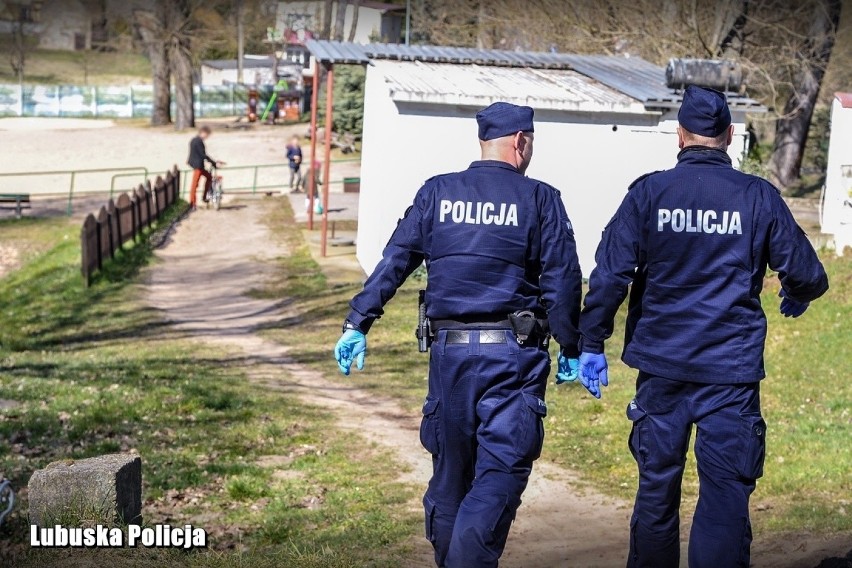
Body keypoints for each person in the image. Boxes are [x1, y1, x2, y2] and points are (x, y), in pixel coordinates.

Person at [577, 86, 829, 568]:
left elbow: (611, 274)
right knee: (724, 499)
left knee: (656, 492)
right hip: (728, 377)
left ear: (680, 136)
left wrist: (593, 341)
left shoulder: (649, 193)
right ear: (729, 136)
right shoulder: (757, 197)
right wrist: (796, 292)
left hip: (662, 370)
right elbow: (808, 273)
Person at [333, 102, 584, 568]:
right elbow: (562, 280)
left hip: (449, 360)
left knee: (450, 478)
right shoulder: (540, 199)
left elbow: (395, 261)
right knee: (500, 473)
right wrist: (574, 344)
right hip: (513, 360)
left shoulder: (437, 193)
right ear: (520, 142)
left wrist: (357, 322)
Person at [187, 126, 224, 211]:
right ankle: (193, 203)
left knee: (209, 177)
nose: (207, 137)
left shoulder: (194, 140)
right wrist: (213, 162)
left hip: (198, 165)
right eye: (207, 135)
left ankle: (204, 196)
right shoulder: (198, 141)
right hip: (198, 166)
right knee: (195, 185)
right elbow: (203, 155)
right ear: (203, 133)